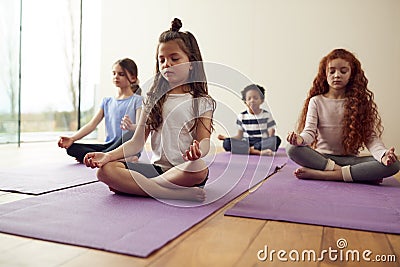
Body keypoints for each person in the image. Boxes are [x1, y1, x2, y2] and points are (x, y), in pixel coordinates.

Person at [83, 18, 216, 202]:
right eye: (162, 60)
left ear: (192, 62)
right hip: (157, 169)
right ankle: (166, 193)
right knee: (105, 171)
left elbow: (205, 141)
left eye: (174, 59)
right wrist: (108, 156)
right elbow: (136, 143)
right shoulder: (153, 99)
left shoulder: (202, 102)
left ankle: (140, 186)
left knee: (199, 167)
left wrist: (198, 151)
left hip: (183, 171)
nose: (166, 64)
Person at [286, 48, 399, 183]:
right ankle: (353, 175)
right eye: (332, 71)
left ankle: (326, 175)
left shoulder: (359, 102)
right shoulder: (316, 101)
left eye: (343, 71)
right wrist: (300, 140)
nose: (337, 75)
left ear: (352, 74)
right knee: (291, 149)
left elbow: (370, 138)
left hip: (351, 160)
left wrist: (383, 155)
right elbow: (309, 133)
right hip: (322, 159)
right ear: (325, 74)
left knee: (394, 164)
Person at [58, 58, 142, 163]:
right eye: (114, 73)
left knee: (129, 134)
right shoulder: (107, 101)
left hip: (127, 146)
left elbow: (140, 128)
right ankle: (110, 157)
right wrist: (72, 139)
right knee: (72, 148)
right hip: (108, 146)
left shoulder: (137, 100)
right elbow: (92, 124)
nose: (116, 77)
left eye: (121, 74)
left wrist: (131, 127)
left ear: (133, 78)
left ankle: (110, 157)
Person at [218, 84, 281, 156]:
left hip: (261, 141)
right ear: (245, 101)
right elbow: (239, 136)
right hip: (246, 142)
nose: (252, 101)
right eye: (249, 98)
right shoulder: (242, 116)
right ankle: (256, 152)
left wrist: (271, 133)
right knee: (226, 143)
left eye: (255, 98)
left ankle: (248, 149)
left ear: (262, 100)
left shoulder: (267, 115)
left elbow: (271, 133)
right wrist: (226, 138)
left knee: (276, 139)